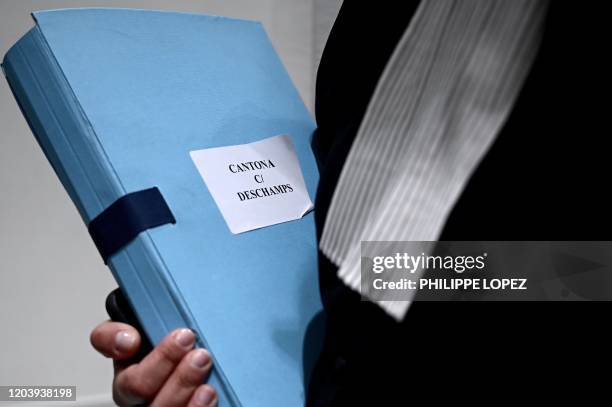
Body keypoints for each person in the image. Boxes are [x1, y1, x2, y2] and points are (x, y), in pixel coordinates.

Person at [91, 1, 611, 406]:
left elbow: (586, 272)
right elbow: (337, 216)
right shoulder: (369, 18)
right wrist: (205, 329)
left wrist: (401, 279)